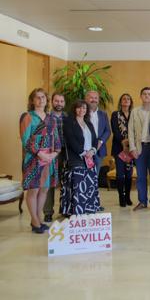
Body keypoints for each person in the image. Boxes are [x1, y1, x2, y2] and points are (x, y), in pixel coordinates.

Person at [20, 88, 61, 233]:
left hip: (49, 159)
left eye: (43, 97)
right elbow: (25, 141)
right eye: (37, 97)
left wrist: (54, 154)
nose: (40, 100)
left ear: (46, 100)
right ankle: (35, 221)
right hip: (33, 159)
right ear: (32, 100)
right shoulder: (27, 117)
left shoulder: (52, 118)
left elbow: (56, 139)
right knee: (33, 189)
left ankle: (38, 219)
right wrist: (39, 154)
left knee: (44, 189)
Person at [60, 99, 100, 216]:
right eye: (79, 107)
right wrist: (83, 152)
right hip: (76, 158)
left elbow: (95, 139)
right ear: (74, 109)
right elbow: (71, 140)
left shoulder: (89, 123)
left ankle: (88, 209)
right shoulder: (69, 122)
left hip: (89, 158)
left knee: (89, 185)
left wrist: (92, 150)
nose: (81, 110)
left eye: (84, 108)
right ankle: (75, 211)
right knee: (78, 186)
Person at [129, 87, 150, 211]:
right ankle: (142, 201)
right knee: (141, 176)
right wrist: (132, 148)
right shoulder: (135, 111)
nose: (146, 96)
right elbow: (130, 130)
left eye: (149, 94)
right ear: (140, 96)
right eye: (144, 94)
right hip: (139, 147)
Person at [85, 90, 111, 211]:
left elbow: (107, 131)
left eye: (96, 98)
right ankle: (84, 203)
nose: (94, 100)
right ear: (86, 99)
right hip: (85, 151)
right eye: (91, 97)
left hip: (99, 151)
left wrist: (100, 142)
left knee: (95, 177)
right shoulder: (82, 112)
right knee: (85, 177)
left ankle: (95, 203)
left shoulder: (103, 114)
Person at [43, 92, 66, 223]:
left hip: (65, 153)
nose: (59, 104)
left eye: (61, 101)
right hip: (51, 154)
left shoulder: (68, 117)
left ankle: (64, 209)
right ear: (52, 102)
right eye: (56, 101)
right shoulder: (46, 118)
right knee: (50, 182)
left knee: (65, 182)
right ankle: (47, 212)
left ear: (64, 103)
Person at [111, 93, 134, 207]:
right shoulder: (115, 114)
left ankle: (128, 197)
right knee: (120, 174)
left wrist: (130, 143)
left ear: (131, 102)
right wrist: (123, 142)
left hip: (131, 149)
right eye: (123, 99)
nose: (126, 100)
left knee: (129, 174)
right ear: (120, 102)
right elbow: (115, 130)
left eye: (128, 99)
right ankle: (121, 197)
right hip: (119, 149)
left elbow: (136, 129)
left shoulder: (134, 114)